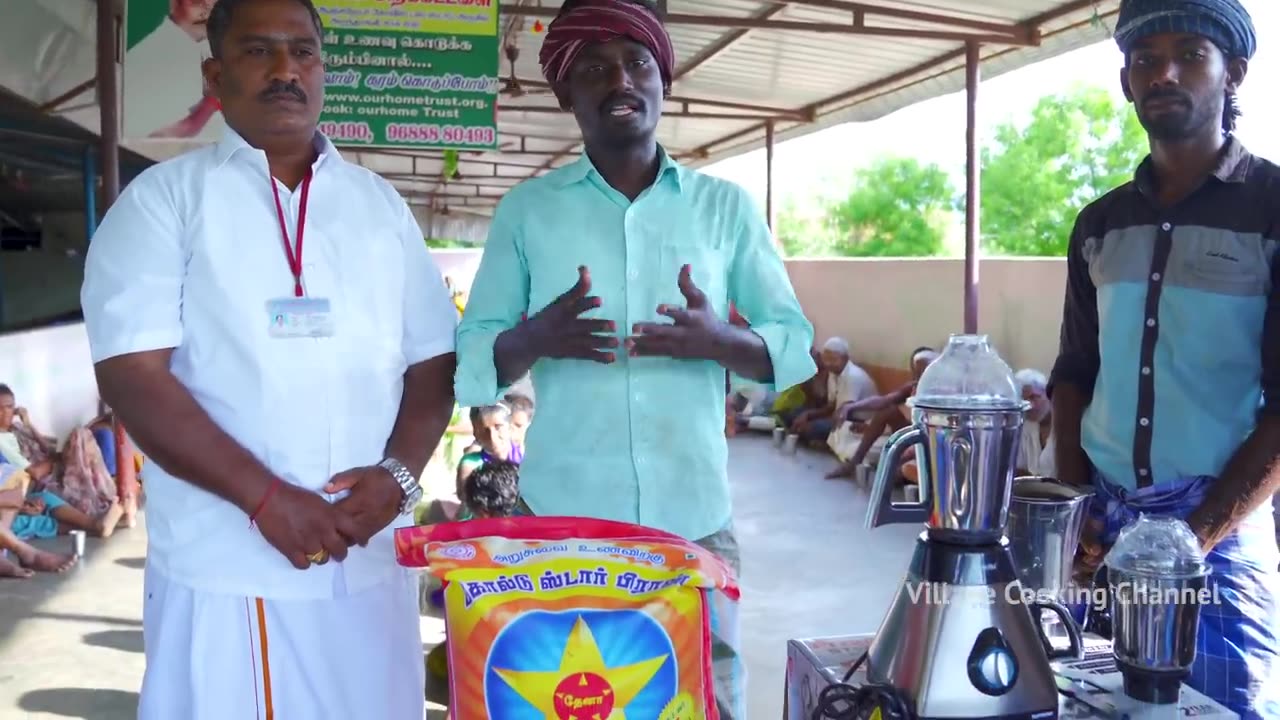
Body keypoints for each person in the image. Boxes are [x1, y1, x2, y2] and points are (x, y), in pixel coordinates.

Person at [79, 0, 458, 717]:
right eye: (259, 51)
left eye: (304, 51)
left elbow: (432, 364)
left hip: (368, 560)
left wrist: (400, 478)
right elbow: (132, 375)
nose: (286, 69)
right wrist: (263, 496)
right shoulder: (164, 202)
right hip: (229, 565)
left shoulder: (379, 206)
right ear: (215, 74)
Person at [454, 1, 815, 715]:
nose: (619, 78)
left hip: (694, 518)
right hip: (563, 522)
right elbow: (472, 354)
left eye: (637, 62)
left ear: (662, 81)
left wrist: (723, 345)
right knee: (572, 696)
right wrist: (536, 337)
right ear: (565, 93)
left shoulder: (724, 207)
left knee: (705, 699)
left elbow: (793, 345)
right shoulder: (528, 211)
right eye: (593, 67)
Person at [1051, 2, 1278, 715]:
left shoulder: (1273, 209)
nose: (1164, 73)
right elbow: (1073, 375)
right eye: (1145, 60)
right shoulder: (1100, 223)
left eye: (1190, 54)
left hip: (1220, 530)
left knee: (1223, 705)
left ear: (1234, 72)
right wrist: (1074, 508)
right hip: (1104, 525)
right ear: (1126, 82)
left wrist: (1192, 540)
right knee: (1096, 702)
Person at [0, 385, 129, 524]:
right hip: (43, 479)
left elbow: (49, 449)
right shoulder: (2, 441)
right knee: (80, 437)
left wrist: (29, 425)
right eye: (0, 408)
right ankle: (110, 502)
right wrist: (58, 457)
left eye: (9, 407)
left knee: (88, 436)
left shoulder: (17, 428)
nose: (4, 412)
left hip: (52, 464)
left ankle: (110, 500)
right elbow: (35, 473)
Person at [824, 346, 937, 479]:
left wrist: (911, 452)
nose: (917, 377)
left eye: (922, 372)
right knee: (887, 411)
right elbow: (883, 400)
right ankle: (854, 463)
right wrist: (852, 407)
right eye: (915, 372)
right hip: (912, 434)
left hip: (932, 441)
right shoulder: (913, 386)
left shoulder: (941, 391)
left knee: (894, 476)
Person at [789, 337, 877, 447]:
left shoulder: (853, 376)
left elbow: (842, 413)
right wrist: (807, 415)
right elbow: (831, 406)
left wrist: (811, 423)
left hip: (857, 421)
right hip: (839, 415)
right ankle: (821, 439)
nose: (829, 364)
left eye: (833, 360)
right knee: (794, 414)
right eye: (826, 359)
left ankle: (824, 441)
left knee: (811, 428)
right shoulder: (833, 374)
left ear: (845, 358)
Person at [1013, 369, 1055, 478]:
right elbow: (1018, 469)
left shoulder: (1067, 426)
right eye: (1024, 400)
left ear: (1047, 394)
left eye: (1034, 397)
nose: (1030, 405)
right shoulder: (1025, 427)